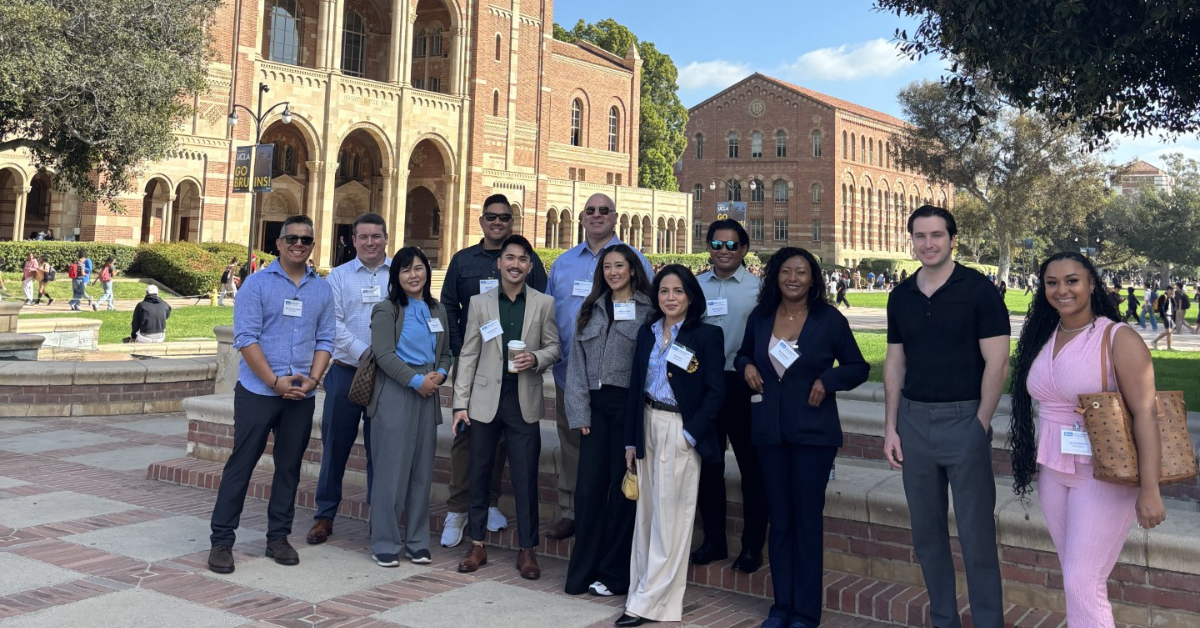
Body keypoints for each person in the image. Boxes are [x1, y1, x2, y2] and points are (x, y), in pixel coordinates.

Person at [1008, 252, 1165, 628]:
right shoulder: (1043, 337)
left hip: (1103, 473)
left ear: (1092, 284)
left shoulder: (1116, 337)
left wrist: (1150, 488)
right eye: (1052, 282)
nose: (1062, 290)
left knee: (1083, 580)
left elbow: (1146, 412)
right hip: (1054, 470)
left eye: (1072, 280)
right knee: (1076, 578)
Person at [882, 206, 1009, 628]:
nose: (928, 243)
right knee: (927, 537)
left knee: (976, 539)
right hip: (913, 424)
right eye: (920, 236)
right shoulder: (900, 295)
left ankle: (988, 622)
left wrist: (980, 424)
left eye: (937, 235)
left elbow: (998, 363)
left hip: (964, 420)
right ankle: (944, 620)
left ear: (953, 239)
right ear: (912, 240)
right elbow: (895, 363)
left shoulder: (979, 291)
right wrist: (890, 427)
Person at [737, 248, 869, 628]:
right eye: (786, 271)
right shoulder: (762, 317)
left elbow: (858, 367)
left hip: (813, 433)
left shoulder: (829, 320)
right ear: (775, 276)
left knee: (806, 521)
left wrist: (828, 381)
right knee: (779, 521)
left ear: (813, 279)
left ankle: (805, 612)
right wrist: (746, 366)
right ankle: (781, 606)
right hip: (769, 430)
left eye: (802, 272)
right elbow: (743, 354)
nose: (793, 278)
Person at [208, 214, 334, 574]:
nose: (298, 244)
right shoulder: (257, 285)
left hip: (301, 394)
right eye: (291, 238)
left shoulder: (321, 289)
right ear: (278, 243)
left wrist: (312, 379)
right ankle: (221, 542)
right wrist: (274, 382)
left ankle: (277, 537)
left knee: (289, 468)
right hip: (258, 392)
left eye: (305, 240)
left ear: (312, 246)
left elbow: (326, 339)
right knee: (242, 464)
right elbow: (245, 337)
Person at [616, 265, 723, 627]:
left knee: (671, 519)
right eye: (664, 291)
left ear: (690, 296)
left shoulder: (707, 335)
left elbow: (715, 392)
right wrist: (631, 440)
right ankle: (642, 588)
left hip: (679, 429)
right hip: (647, 424)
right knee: (647, 516)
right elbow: (636, 388)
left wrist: (689, 435)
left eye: (678, 291)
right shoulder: (648, 333)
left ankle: (652, 603)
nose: (671, 298)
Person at [439, 194, 548, 547]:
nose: (498, 222)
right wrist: (460, 353)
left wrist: (536, 355)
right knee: (467, 447)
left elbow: (544, 320)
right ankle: (461, 513)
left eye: (504, 217)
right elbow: (449, 309)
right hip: (481, 376)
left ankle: (492, 509)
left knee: (510, 456)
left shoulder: (533, 273)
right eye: (491, 216)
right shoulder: (463, 261)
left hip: (518, 386)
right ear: (482, 220)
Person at [451, 235, 560, 580]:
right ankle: (478, 544)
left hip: (522, 400)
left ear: (530, 266)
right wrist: (459, 403)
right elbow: (468, 353)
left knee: (526, 477)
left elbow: (555, 347)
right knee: (479, 474)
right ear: (499, 263)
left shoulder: (543, 303)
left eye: (522, 259)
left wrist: (537, 358)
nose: (515, 264)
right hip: (484, 402)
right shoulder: (480, 303)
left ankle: (527, 549)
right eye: (509, 258)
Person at [546, 192, 651, 541]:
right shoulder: (563, 263)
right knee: (571, 442)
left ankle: (610, 512)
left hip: (619, 381)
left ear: (615, 216)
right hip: (571, 373)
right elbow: (550, 315)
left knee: (614, 450)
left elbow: (649, 312)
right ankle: (571, 511)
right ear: (581, 217)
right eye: (590, 210)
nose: (596, 215)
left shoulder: (633, 258)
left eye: (604, 210)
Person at [563, 244, 653, 597]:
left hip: (628, 408)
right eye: (608, 267)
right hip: (595, 410)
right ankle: (582, 570)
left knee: (622, 492)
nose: (614, 272)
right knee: (588, 491)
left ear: (632, 270)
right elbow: (576, 365)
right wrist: (579, 410)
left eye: (620, 266)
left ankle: (615, 573)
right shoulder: (590, 309)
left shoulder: (648, 311)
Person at [366, 246, 452, 567]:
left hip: (428, 395)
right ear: (396, 276)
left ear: (427, 271)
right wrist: (417, 382)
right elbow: (384, 355)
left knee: (421, 473)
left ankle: (417, 541)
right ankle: (385, 541)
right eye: (405, 270)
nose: (413, 275)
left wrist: (440, 375)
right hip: (395, 393)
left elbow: (446, 352)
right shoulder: (386, 309)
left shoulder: (437, 310)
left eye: (418, 268)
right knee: (390, 472)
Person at [307, 213, 390, 546]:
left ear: (386, 238)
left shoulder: (398, 274)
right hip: (345, 372)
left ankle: (379, 518)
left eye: (376, 236)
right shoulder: (338, 278)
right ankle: (324, 516)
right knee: (334, 447)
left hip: (387, 377)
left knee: (380, 451)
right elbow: (332, 325)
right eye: (363, 237)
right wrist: (365, 354)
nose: (370, 242)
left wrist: (383, 359)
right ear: (353, 240)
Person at [691, 219, 767, 574]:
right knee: (709, 466)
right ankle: (714, 541)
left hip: (741, 383)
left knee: (752, 469)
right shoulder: (694, 288)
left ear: (744, 249)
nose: (724, 252)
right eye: (717, 245)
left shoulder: (758, 290)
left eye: (731, 245)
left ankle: (752, 546)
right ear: (708, 248)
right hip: (703, 386)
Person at [1152, 285, 1176, 350]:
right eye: (1172, 291)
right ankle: (1154, 341)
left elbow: (1173, 307)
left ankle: (1169, 347)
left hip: (1170, 315)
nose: (1173, 292)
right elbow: (1161, 307)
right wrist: (1164, 315)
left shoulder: (1171, 298)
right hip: (1166, 315)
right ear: (1168, 290)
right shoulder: (1163, 297)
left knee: (1170, 332)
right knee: (1168, 331)